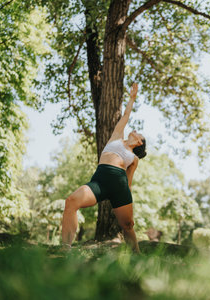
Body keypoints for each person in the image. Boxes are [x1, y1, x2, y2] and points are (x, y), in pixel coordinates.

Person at [61, 83, 146, 253]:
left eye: (138, 133)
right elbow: (126, 115)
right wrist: (132, 98)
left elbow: (128, 182)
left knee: (128, 225)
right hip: (99, 181)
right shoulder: (116, 137)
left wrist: (126, 198)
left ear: (139, 142)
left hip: (119, 187)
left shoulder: (134, 159)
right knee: (71, 201)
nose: (134, 130)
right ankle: (65, 249)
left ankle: (137, 258)